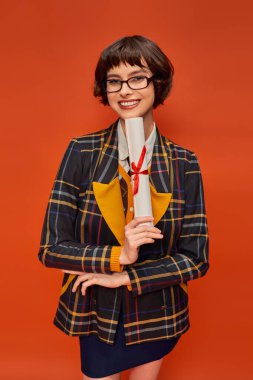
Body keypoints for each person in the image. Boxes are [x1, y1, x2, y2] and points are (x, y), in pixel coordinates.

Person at [38, 35, 209, 380]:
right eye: (114, 81)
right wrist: (119, 256)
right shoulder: (82, 151)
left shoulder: (183, 162)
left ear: (157, 83)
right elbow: (51, 249)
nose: (125, 90)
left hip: (158, 310)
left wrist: (126, 276)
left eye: (137, 78)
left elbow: (196, 258)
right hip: (96, 311)